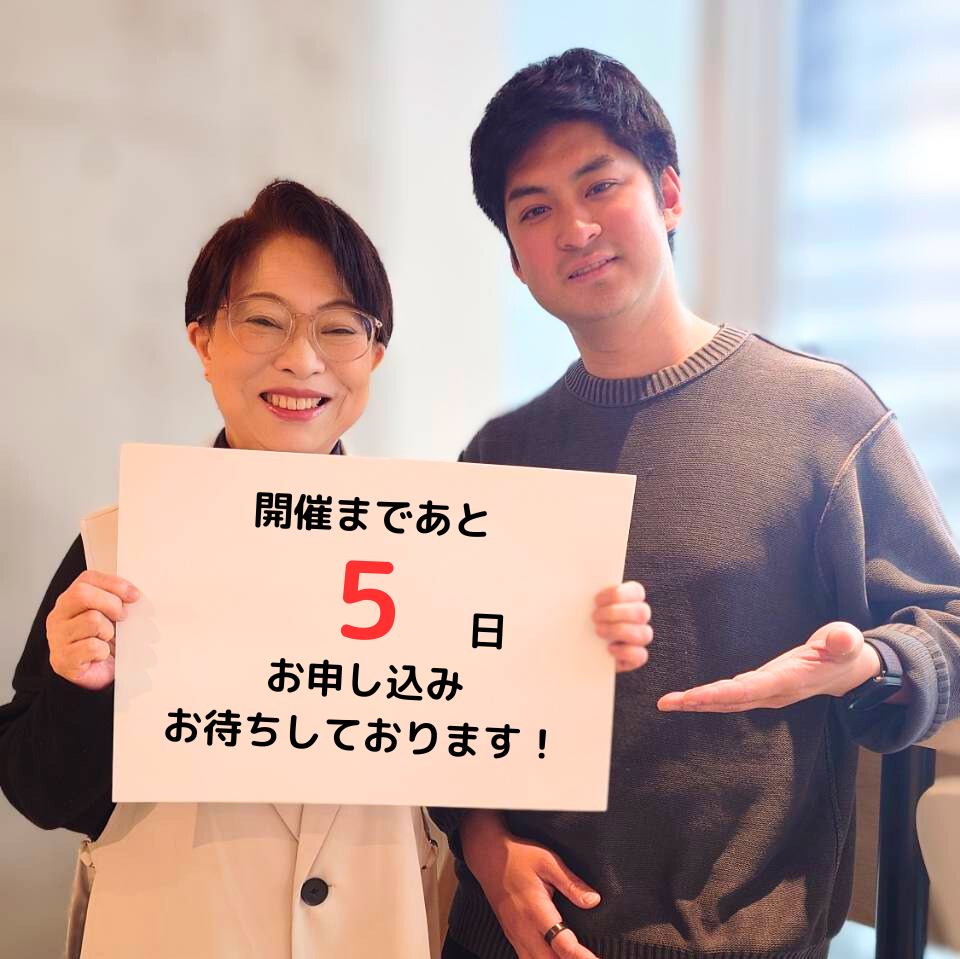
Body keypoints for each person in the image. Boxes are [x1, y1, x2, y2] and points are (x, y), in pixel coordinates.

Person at [0, 178, 652, 959]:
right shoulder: (121, 546)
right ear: (203, 340)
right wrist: (79, 687)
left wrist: (577, 643)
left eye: (339, 328)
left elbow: (482, 750)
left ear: (374, 356)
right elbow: (43, 794)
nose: (301, 359)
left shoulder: (443, 550)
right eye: (263, 320)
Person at [429, 48, 960, 959]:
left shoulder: (821, 416)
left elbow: (949, 620)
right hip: (511, 939)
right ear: (515, 259)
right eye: (535, 210)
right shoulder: (500, 456)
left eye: (601, 186)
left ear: (670, 194)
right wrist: (486, 848)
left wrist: (871, 662)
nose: (575, 228)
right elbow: (440, 698)